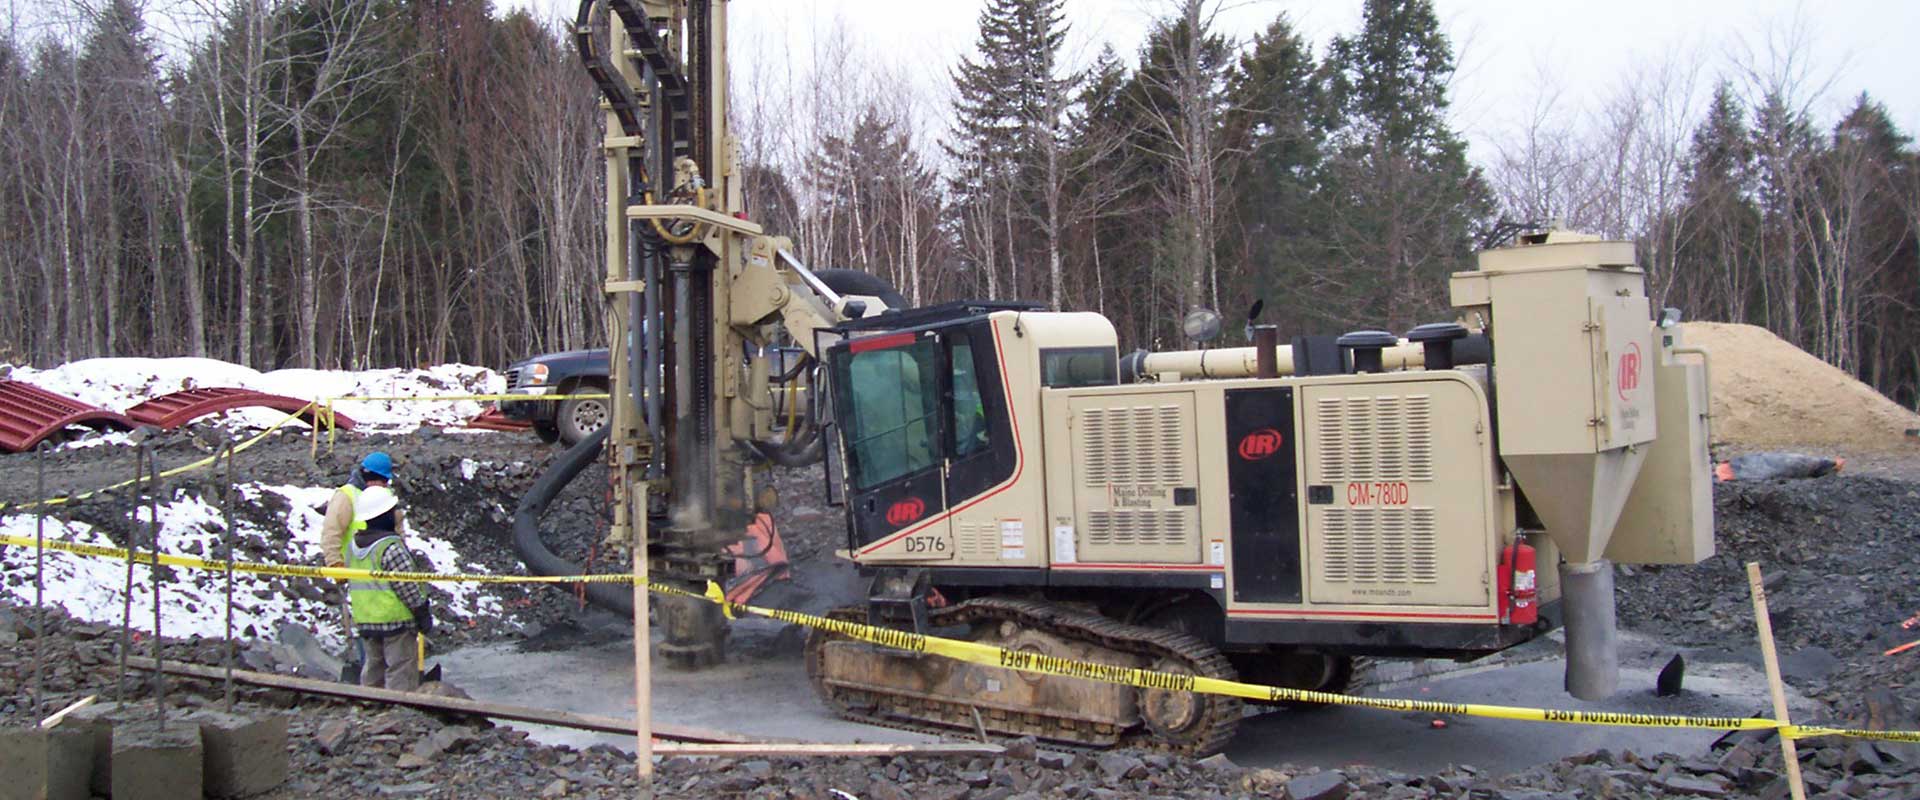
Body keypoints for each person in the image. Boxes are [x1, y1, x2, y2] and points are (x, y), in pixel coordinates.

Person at [344, 485, 432, 691]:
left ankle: (369, 707)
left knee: (374, 668)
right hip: (396, 622)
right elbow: (407, 586)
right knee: (400, 669)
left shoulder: (353, 547)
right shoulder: (390, 547)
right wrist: (422, 613)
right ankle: (400, 712)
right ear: (385, 515)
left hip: (367, 620)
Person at [321, 452, 396, 569]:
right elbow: (331, 531)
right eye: (384, 480)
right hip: (353, 571)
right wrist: (335, 563)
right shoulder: (347, 496)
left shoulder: (386, 496)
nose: (385, 485)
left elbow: (397, 531)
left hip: (382, 573)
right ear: (371, 477)